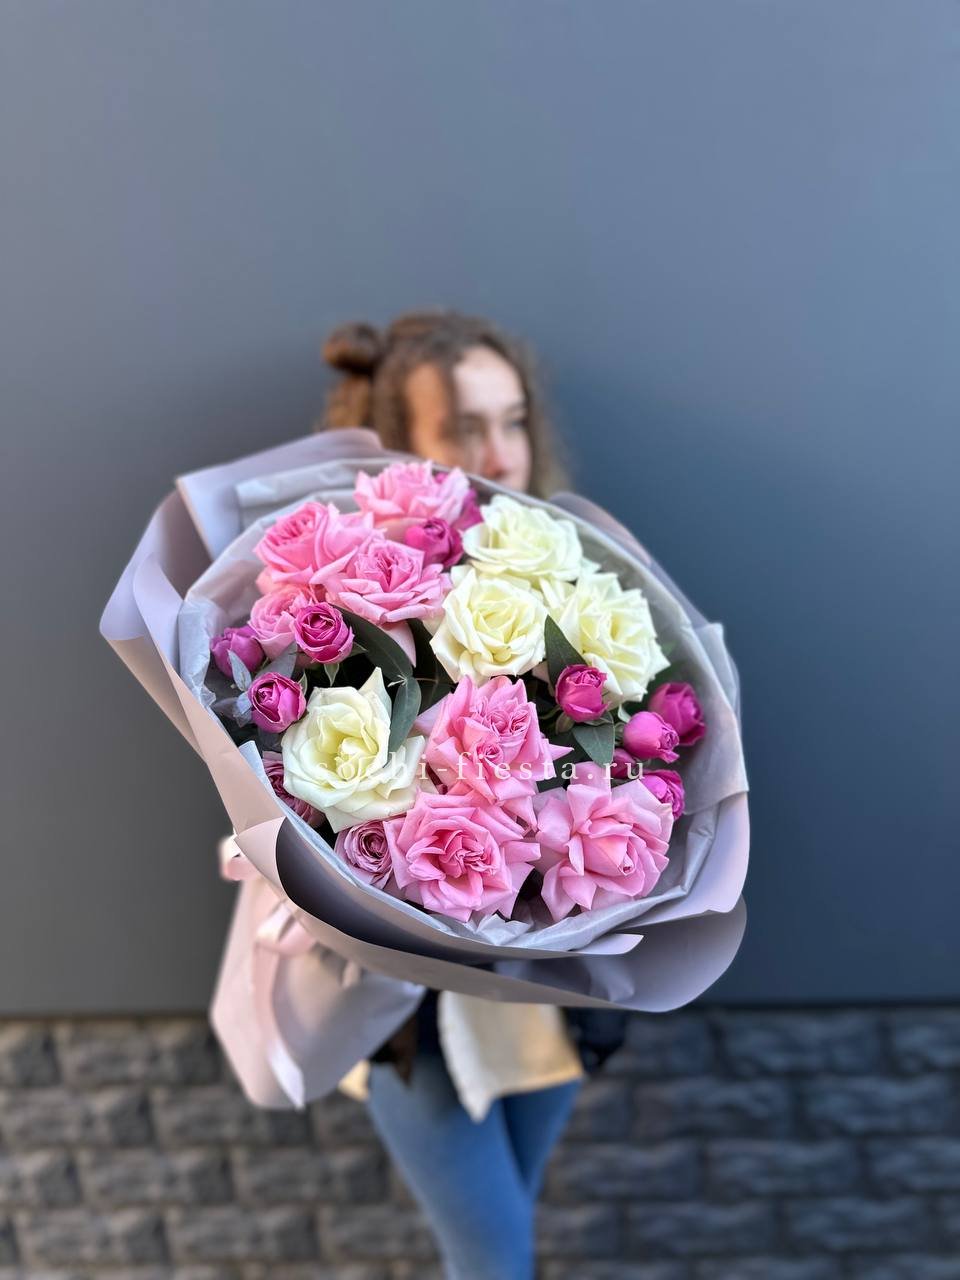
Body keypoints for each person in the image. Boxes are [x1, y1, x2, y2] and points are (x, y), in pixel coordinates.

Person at [320, 309, 627, 1280]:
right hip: (410, 1004)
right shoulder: (337, 604)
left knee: (504, 1241)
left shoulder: (577, 582)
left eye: (513, 420)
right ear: (393, 446)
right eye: (463, 427)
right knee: (493, 1255)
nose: (499, 453)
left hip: (542, 987)